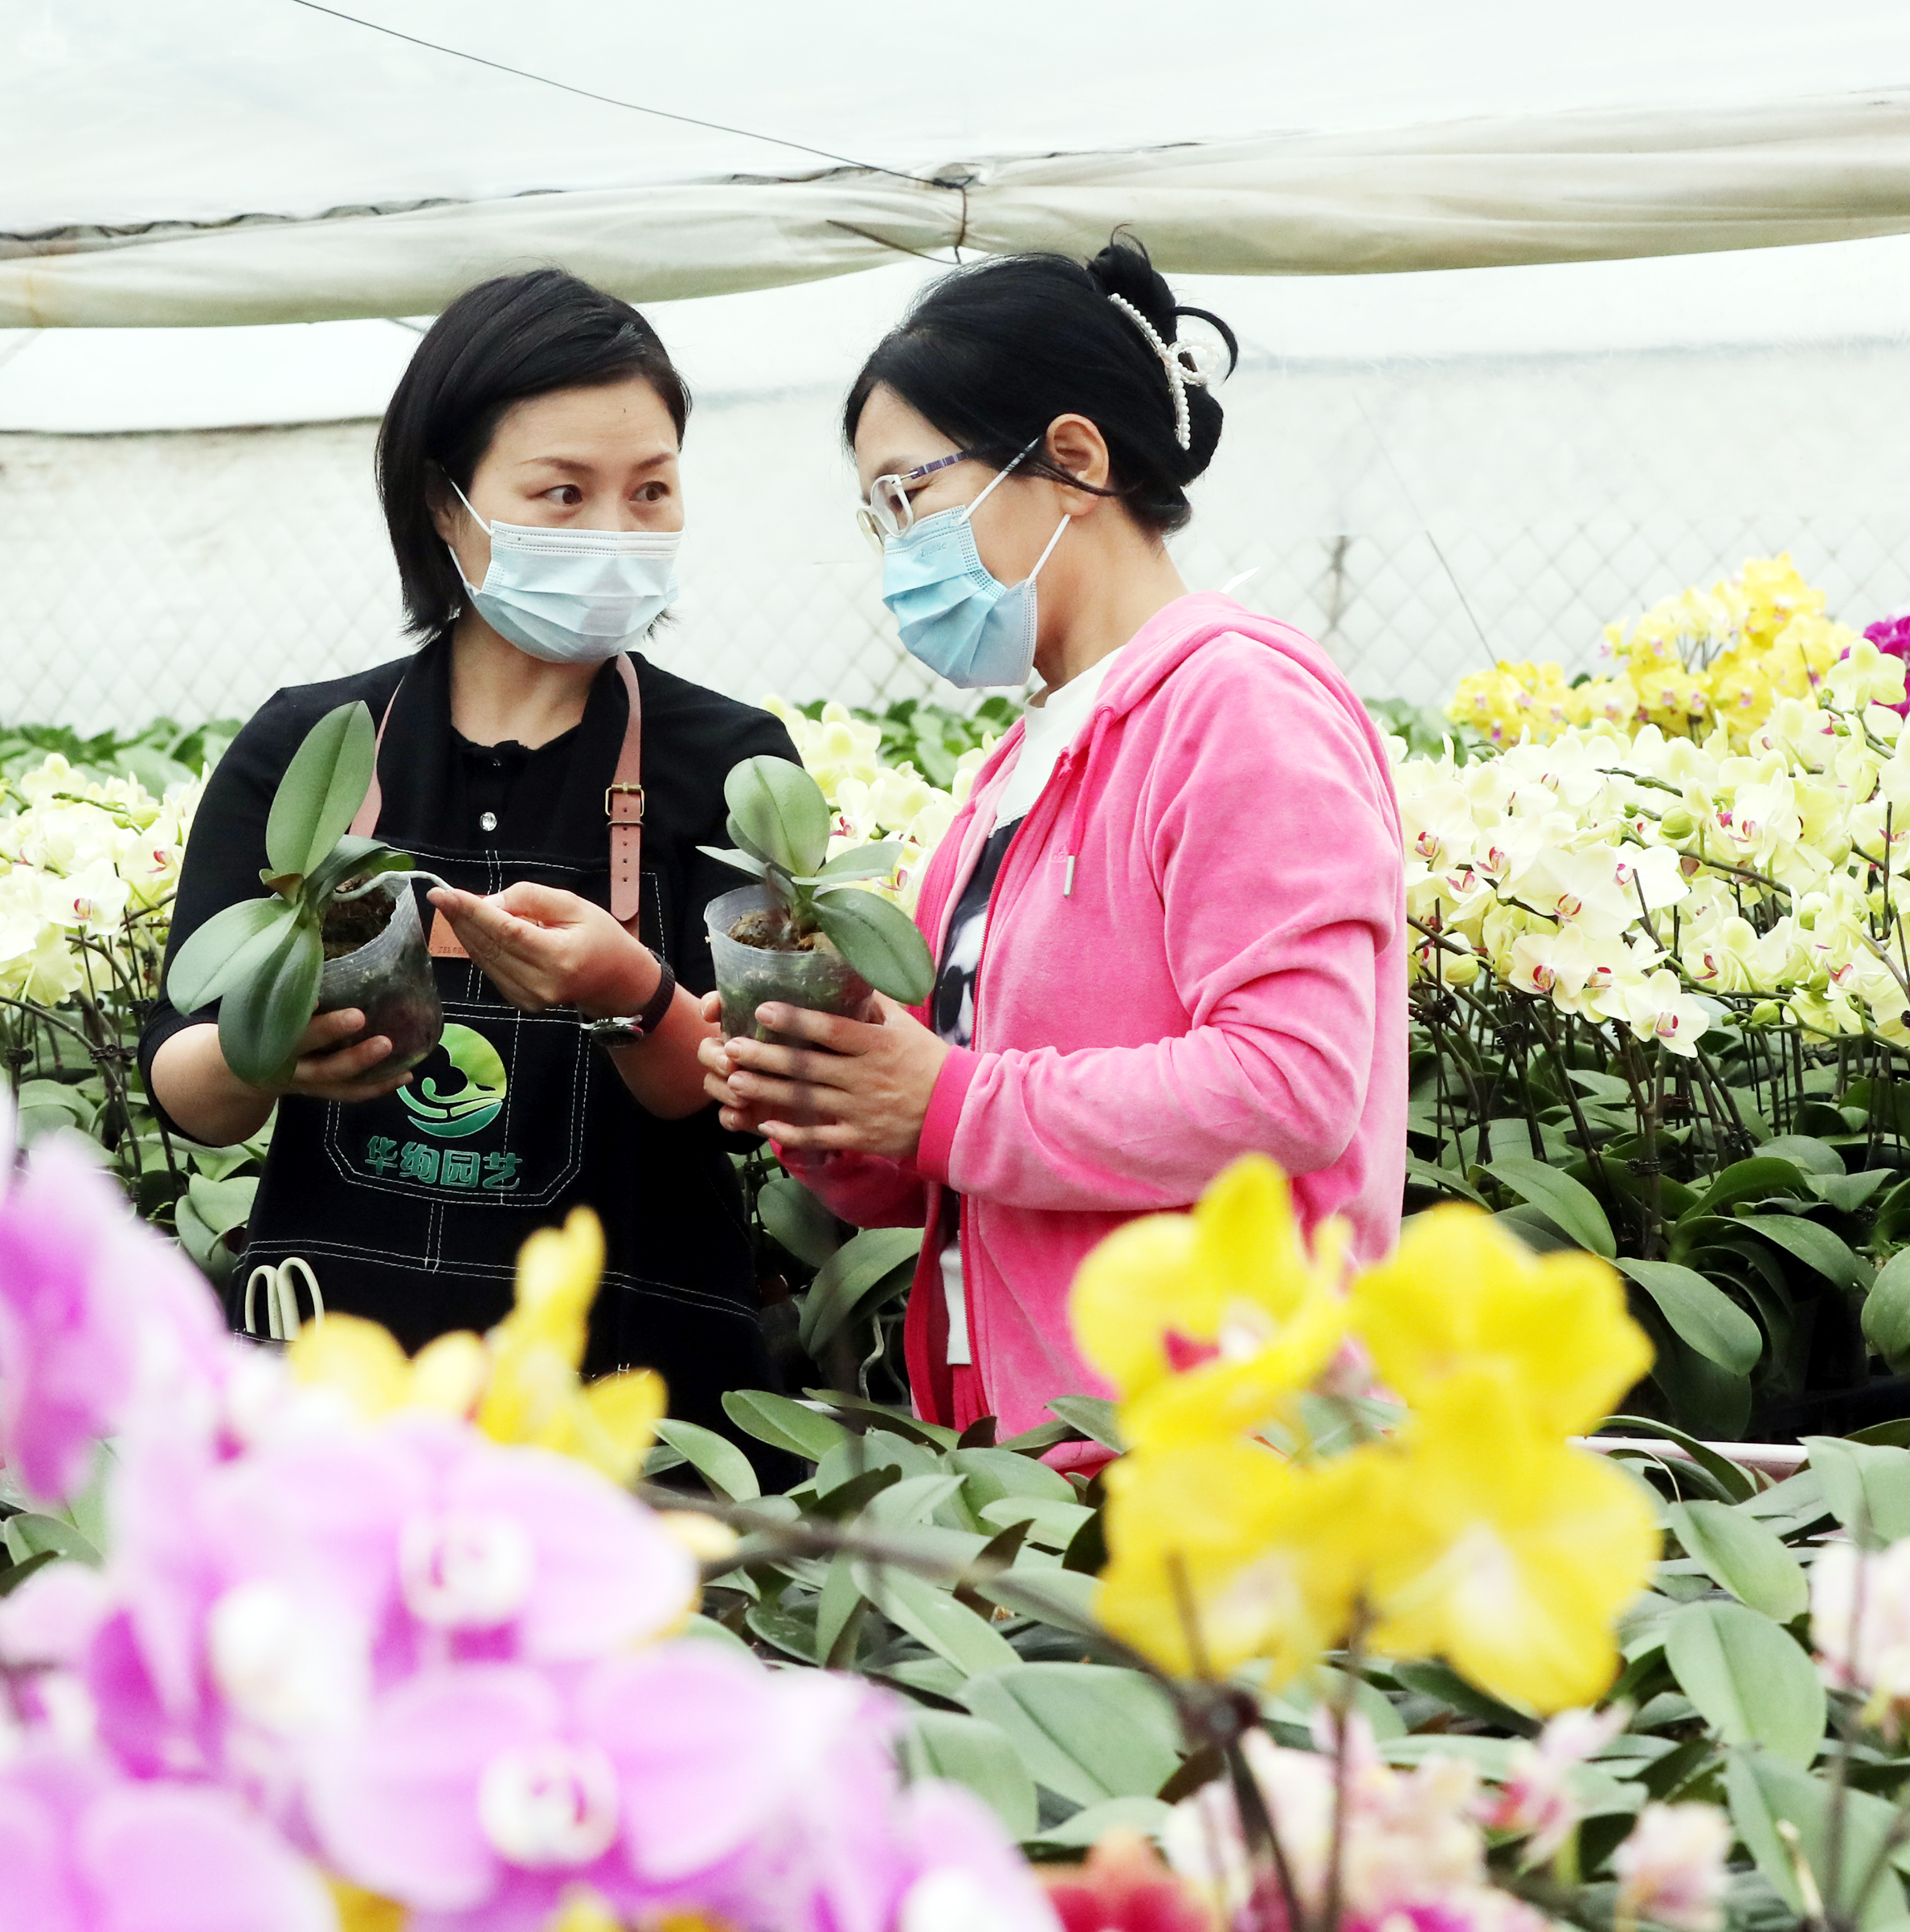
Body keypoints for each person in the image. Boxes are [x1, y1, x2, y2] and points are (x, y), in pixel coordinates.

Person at [700, 239, 1406, 1432]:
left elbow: (1290, 1085)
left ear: (1072, 460)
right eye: (877, 517)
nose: (897, 554)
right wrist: (830, 1101)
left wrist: (945, 1102)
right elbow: (950, 1155)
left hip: (1224, 1446)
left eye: (909, 496)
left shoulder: (1235, 704)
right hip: (1032, 1445)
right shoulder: (1010, 773)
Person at [144, 268, 800, 1430]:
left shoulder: (735, 766)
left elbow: (756, 1093)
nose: (614, 531)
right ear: (443, 504)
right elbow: (190, 1088)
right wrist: (263, 1052)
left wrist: (634, 995)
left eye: (650, 490)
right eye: (562, 493)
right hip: (340, 1395)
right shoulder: (310, 749)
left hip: (631, 1410)